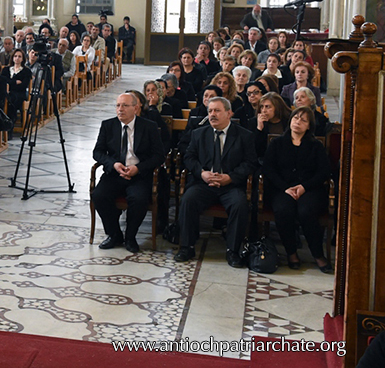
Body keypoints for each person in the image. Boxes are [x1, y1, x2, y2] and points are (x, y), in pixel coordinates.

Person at [176, 97, 258, 266]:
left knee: (239, 204)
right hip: (204, 184)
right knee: (188, 200)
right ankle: (186, 247)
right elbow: (189, 157)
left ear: (229, 113)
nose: (212, 114)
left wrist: (231, 177)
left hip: (230, 185)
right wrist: (202, 173)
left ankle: (233, 251)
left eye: (217, 111)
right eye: (210, 111)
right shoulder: (199, 134)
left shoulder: (244, 135)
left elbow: (250, 163)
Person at [262, 107, 333, 273]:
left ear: (309, 126)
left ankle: (317, 254)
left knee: (306, 211)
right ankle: (291, 253)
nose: (298, 122)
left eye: (303, 120)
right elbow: (268, 169)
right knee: (283, 210)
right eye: (296, 118)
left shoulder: (315, 145)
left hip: (310, 189)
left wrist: (304, 187)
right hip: (282, 188)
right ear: (290, 120)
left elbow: (324, 172)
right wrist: (285, 188)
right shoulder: (277, 143)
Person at [91, 93, 165, 252]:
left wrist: (138, 168)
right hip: (115, 173)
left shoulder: (149, 126)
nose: (120, 109)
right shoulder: (108, 125)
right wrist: (114, 164)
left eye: (125, 105)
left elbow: (159, 156)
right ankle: (114, 234)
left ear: (136, 108)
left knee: (138, 199)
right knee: (98, 195)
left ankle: (130, 237)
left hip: (139, 174)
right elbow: (97, 152)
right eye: (118, 105)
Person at [3, 49, 31, 136]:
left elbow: (23, 86)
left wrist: (10, 83)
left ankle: (9, 128)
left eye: (19, 56)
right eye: (15, 56)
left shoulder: (26, 71)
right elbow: (3, 81)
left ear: (23, 59)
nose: (17, 58)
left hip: (19, 94)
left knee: (12, 101)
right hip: (6, 93)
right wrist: (14, 82)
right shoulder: (6, 69)